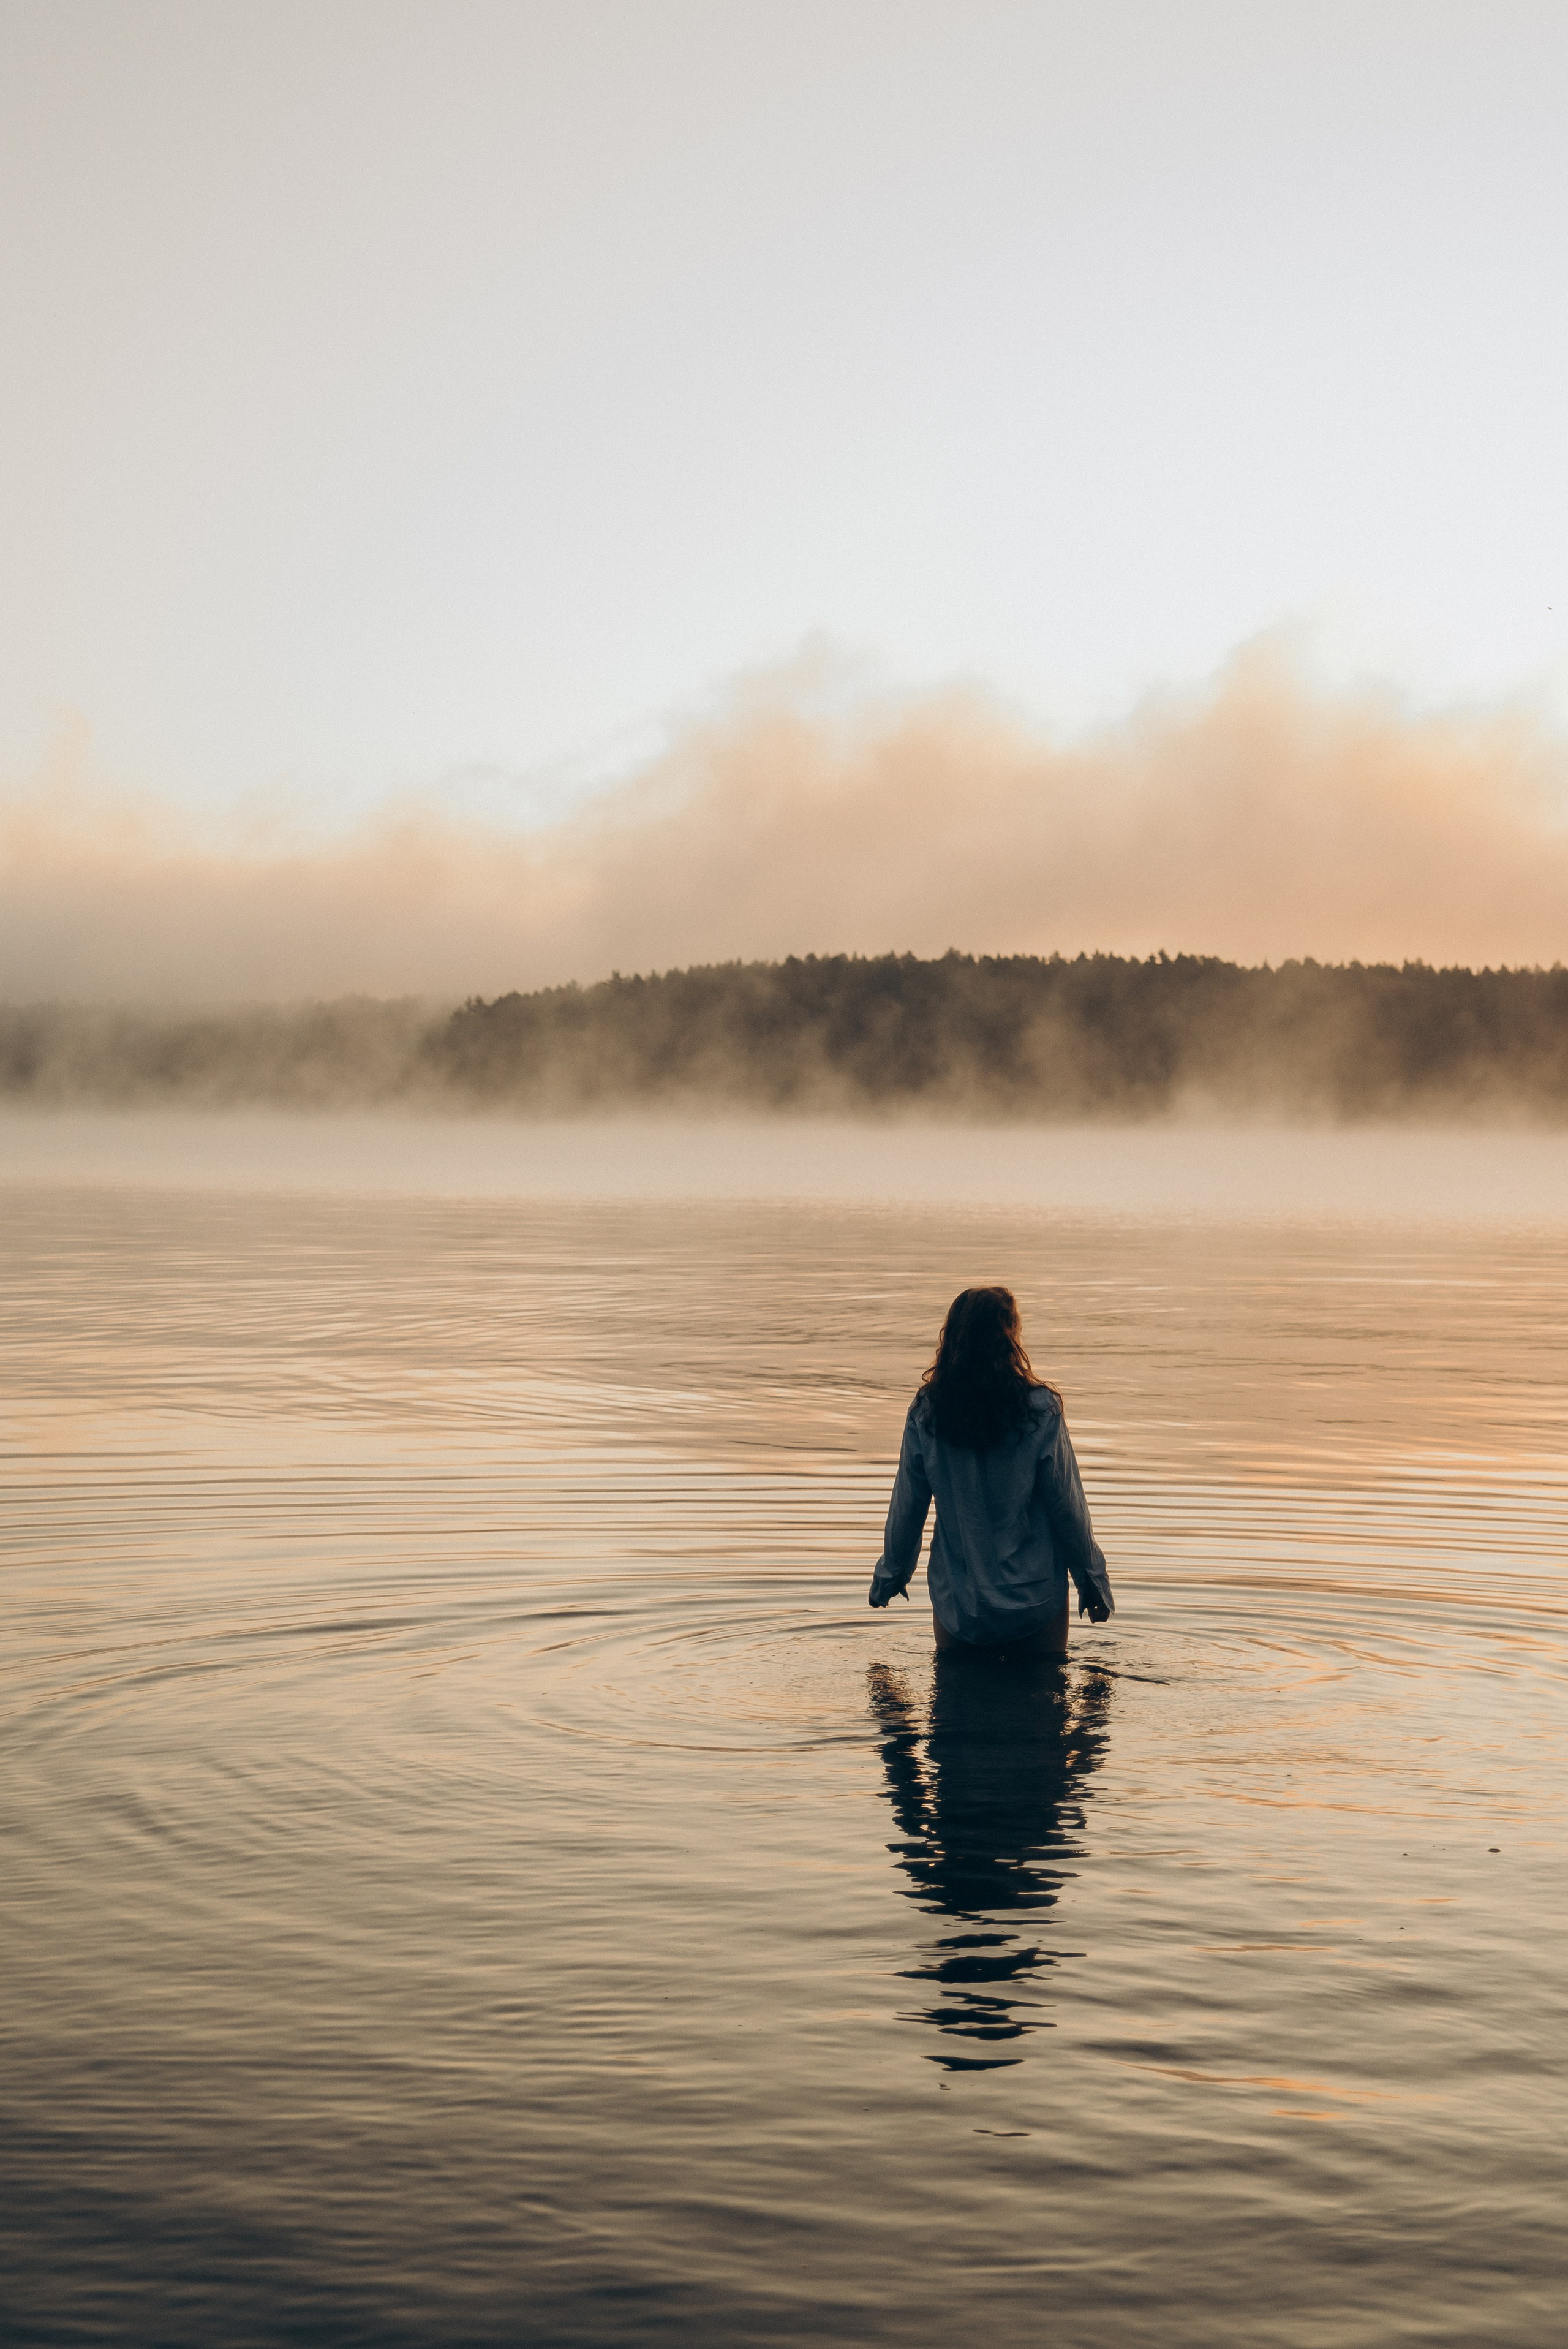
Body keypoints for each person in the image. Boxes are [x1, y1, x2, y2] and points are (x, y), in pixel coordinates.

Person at [868, 1286, 1113, 1657]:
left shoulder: (928, 1411)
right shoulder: (1040, 1409)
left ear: (953, 1337)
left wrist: (892, 1574)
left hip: (961, 1604)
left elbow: (909, 1504)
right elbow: (1067, 1507)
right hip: (1034, 1598)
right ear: (1009, 1337)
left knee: (954, 1709)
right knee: (1043, 1705)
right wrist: (1091, 1583)